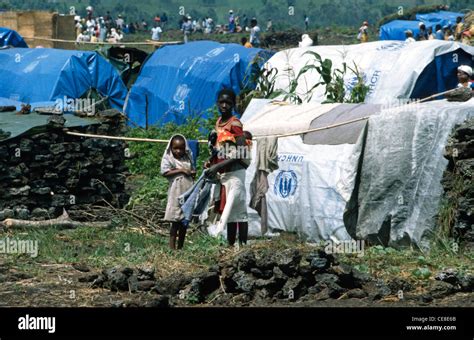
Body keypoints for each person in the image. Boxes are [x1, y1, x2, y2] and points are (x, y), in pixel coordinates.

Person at [205, 89, 249, 247]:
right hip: (224, 173)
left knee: (238, 210)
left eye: (228, 103)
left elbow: (241, 152)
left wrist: (218, 166)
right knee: (231, 212)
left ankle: (242, 246)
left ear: (233, 104)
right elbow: (220, 148)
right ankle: (231, 246)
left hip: (235, 172)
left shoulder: (235, 124)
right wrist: (211, 162)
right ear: (217, 102)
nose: (224, 105)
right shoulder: (219, 122)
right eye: (222, 102)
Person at [162, 135, 196, 250]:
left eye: (181, 148)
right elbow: (165, 172)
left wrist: (191, 173)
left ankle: (180, 247)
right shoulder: (169, 158)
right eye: (175, 148)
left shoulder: (188, 157)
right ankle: (172, 248)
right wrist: (181, 170)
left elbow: (191, 170)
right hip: (176, 192)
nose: (178, 151)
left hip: (187, 191)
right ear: (170, 148)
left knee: (184, 222)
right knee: (175, 222)